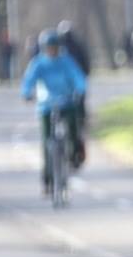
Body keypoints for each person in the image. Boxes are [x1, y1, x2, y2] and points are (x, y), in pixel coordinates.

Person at [20, 30, 87, 196]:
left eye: (54, 48)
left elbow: (78, 77)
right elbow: (29, 80)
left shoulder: (66, 61)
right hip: (46, 105)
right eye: (49, 48)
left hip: (66, 102)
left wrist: (80, 90)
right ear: (44, 48)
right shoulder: (39, 63)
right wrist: (27, 93)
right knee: (46, 141)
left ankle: (74, 153)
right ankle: (48, 178)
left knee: (72, 126)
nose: (52, 51)